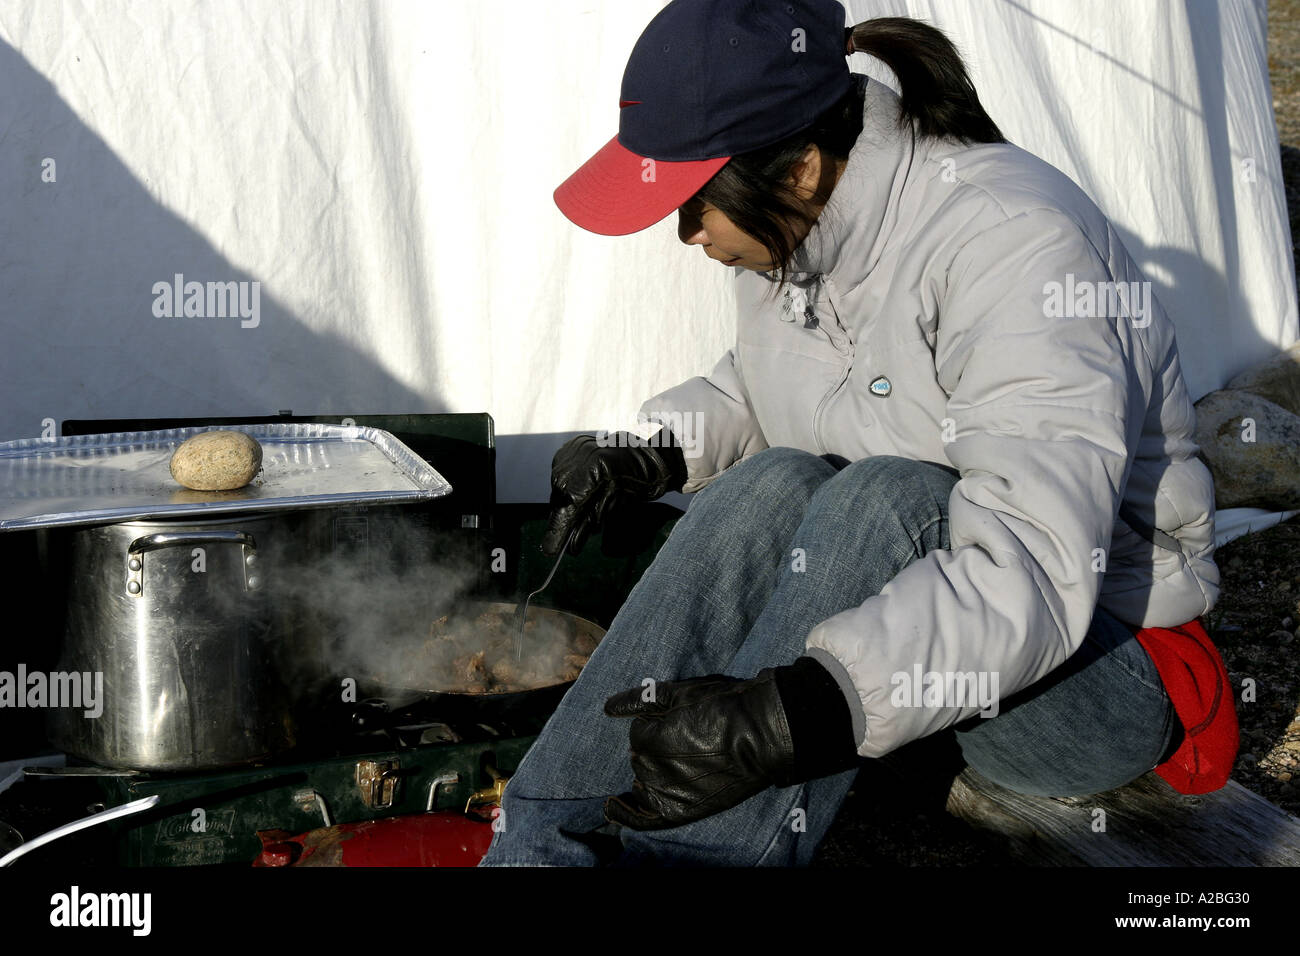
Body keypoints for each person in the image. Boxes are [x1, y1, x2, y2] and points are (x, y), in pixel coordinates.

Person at [479, 0, 1233, 867]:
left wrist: (797, 713)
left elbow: (1034, 560)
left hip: (1091, 661)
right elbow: (778, 389)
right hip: (934, 637)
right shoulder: (800, 226)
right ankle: (536, 849)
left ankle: (701, 864)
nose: (685, 233)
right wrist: (652, 451)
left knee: (888, 494)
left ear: (798, 168)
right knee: (771, 481)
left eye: (693, 204)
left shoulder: (1016, 243)